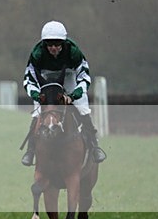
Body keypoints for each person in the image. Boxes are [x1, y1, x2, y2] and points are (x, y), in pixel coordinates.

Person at [20, 20, 107, 166]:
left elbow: (84, 76)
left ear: (63, 42)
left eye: (57, 44)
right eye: (49, 44)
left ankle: (94, 146)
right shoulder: (37, 53)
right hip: (46, 80)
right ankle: (31, 150)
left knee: (82, 107)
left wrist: (72, 96)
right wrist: (37, 95)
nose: (53, 47)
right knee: (36, 113)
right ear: (44, 44)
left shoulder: (73, 51)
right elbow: (29, 79)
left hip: (68, 77)